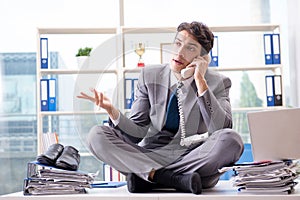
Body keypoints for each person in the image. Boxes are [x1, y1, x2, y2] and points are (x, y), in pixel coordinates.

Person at [77, 21, 244, 194]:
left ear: (202, 58)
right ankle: (171, 178)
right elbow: (135, 134)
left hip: (193, 158)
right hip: (152, 155)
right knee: (96, 135)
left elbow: (221, 129)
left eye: (190, 48)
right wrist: (112, 111)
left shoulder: (219, 83)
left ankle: (149, 177)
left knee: (232, 140)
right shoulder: (150, 76)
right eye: (178, 44)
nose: (179, 52)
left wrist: (200, 81)